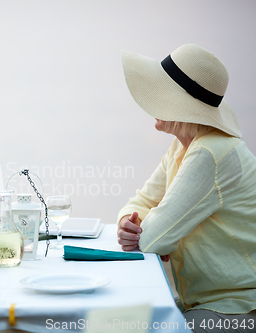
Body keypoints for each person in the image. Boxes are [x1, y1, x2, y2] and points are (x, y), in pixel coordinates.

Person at [116, 44, 256, 332]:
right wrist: (126, 223)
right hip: (204, 302)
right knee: (119, 322)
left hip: (235, 307)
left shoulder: (210, 153)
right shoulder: (184, 148)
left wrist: (150, 232)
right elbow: (141, 202)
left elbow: (154, 239)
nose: (151, 100)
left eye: (161, 93)